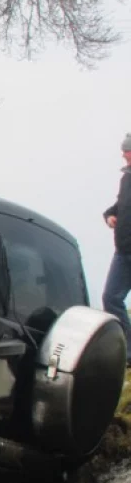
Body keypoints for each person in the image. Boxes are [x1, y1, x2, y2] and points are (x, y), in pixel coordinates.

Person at [102, 132, 131, 366]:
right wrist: (110, 215)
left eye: (126, 150)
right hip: (123, 251)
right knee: (111, 297)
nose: (122, 154)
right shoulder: (127, 178)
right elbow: (120, 206)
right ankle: (128, 352)